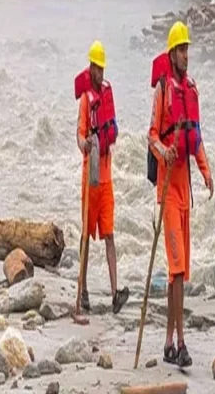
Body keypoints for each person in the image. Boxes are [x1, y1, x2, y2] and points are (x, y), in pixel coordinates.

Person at [147, 21, 214, 368]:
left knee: (181, 272)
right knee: (174, 270)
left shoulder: (191, 90)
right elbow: (152, 135)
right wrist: (163, 152)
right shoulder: (163, 91)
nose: (186, 54)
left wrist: (205, 171)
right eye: (181, 49)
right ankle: (181, 343)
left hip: (185, 189)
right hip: (168, 190)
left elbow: (196, 137)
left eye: (188, 49)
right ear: (171, 54)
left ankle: (169, 342)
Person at [75, 40, 130, 314]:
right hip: (91, 178)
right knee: (86, 235)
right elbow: (79, 132)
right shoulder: (86, 100)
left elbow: (113, 126)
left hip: (107, 178)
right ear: (91, 67)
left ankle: (114, 293)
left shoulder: (107, 94)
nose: (100, 72)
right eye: (97, 67)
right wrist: (84, 143)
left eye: (102, 67)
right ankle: (82, 289)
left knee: (110, 235)